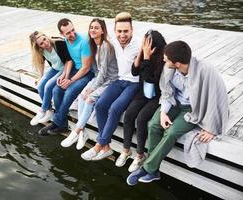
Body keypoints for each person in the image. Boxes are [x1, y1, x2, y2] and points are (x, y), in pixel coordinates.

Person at [126, 41, 229, 185]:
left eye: (166, 59)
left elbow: (217, 98)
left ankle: (148, 168)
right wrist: (163, 113)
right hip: (174, 103)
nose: (163, 60)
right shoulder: (169, 68)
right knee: (154, 125)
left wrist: (212, 127)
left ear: (178, 63)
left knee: (172, 132)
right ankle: (153, 170)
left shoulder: (205, 70)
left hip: (193, 109)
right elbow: (167, 92)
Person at [81, 12, 141, 161]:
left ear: (132, 30)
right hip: (119, 81)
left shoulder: (139, 44)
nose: (122, 34)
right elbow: (97, 40)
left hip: (134, 83)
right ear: (115, 31)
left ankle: (99, 145)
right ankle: (106, 147)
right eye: (119, 31)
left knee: (114, 108)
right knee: (100, 105)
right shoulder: (113, 42)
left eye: (126, 31)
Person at [60, 18, 118, 150]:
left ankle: (77, 130)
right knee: (81, 96)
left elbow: (104, 73)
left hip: (111, 80)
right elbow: (96, 72)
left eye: (96, 27)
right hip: (99, 78)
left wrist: (92, 88)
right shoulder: (92, 44)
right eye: (91, 27)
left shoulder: (106, 46)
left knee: (89, 98)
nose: (93, 30)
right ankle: (82, 133)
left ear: (103, 30)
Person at [115, 30, 166, 172]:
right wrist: (141, 53)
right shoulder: (144, 52)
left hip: (157, 95)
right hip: (143, 92)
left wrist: (148, 58)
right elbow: (134, 72)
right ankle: (126, 150)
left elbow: (152, 80)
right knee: (130, 113)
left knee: (142, 118)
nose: (144, 45)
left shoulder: (163, 58)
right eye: (143, 43)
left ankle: (139, 155)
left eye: (146, 43)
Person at [39, 18, 94, 135]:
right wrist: (64, 75)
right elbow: (68, 61)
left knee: (69, 91)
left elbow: (86, 68)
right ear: (62, 34)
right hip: (74, 70)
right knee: (56, 90)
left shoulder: (83, 42)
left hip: (87, 72)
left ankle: (57, 122)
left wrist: (70, 80)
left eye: (73, 30)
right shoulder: (64, 41)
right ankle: (62, 124)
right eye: (68, 33)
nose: (72, 34)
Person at [29, 31, 73, 126]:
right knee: (41, 86)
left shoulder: (58, 44)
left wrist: (64, 75)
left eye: (44, 39)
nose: (45, 43)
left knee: (48, 86)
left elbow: (68, 60)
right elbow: (41, 63)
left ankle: (42, 110)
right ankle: (49, 110)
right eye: (41, 43)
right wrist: (40, 77)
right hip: (55, 68)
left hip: (64, 69)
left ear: (46, 36)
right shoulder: (41, 51)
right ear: (39, 47)